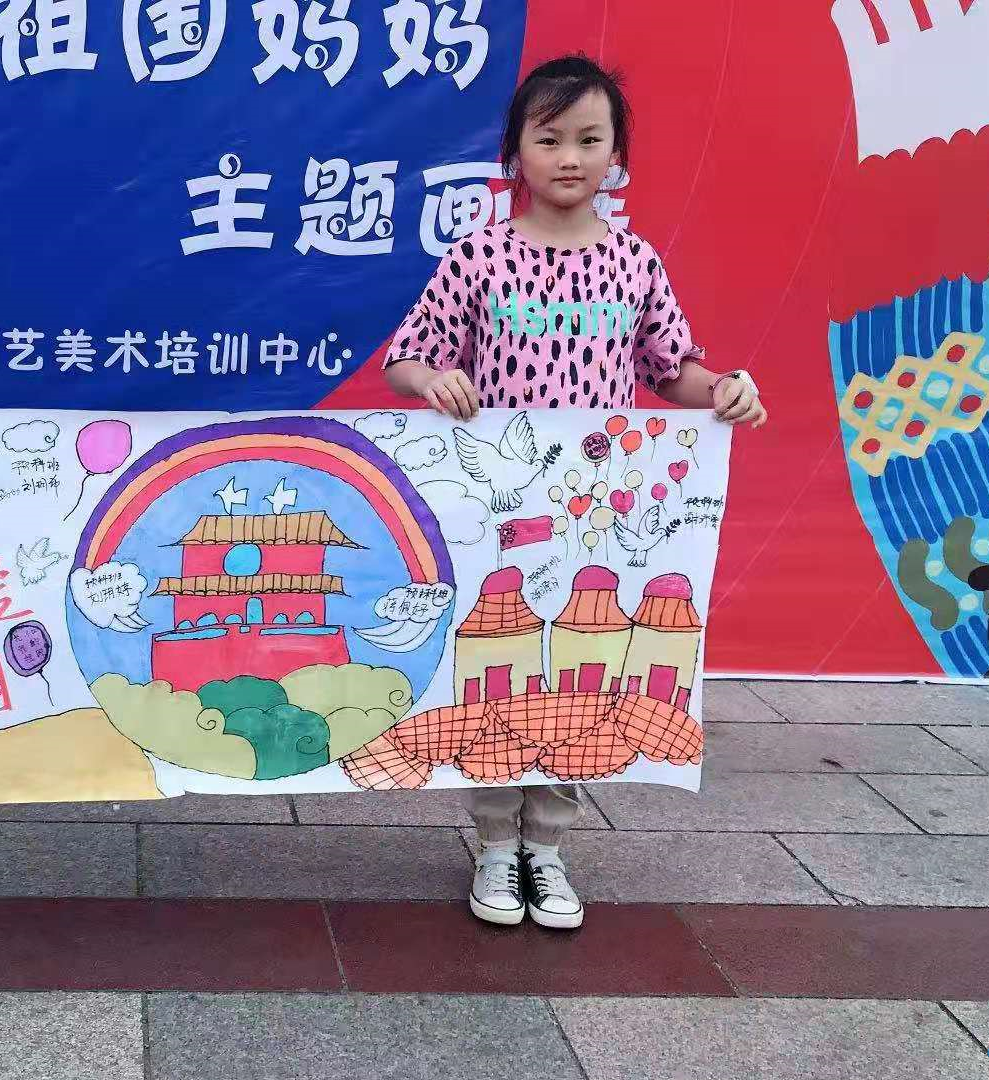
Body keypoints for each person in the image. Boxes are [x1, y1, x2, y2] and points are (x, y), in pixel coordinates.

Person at [382, 55, 767, 930]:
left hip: (596, 512)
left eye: (589, 139)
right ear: (514, 152)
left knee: (579, 675)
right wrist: (434, 379)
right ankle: (493, 845)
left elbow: (672, 369)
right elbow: (406, 358)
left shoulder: (635, 263)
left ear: (616, 154)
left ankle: (548, 848)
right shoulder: (478, 256)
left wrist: (723, 389)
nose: (569, 157)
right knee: (501, 669)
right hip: (500, 510)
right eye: (549, 138)